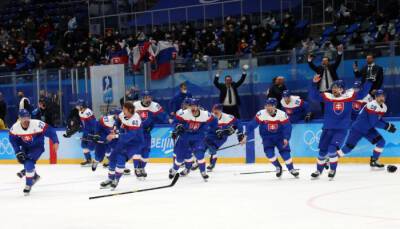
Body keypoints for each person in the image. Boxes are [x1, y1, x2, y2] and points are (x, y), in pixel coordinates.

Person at [308, 75, 372, 180]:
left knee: (332, 149)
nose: (334, 89)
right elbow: (313, 96)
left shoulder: (349, 97)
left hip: (341, 130)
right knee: (322, 151)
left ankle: (332, 169)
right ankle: (318, 171)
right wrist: (314, 83)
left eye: (336, 87)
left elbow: (362, 93)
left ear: (342, 89)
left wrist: (369, 82)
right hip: (327, 128)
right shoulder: (328, 97)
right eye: (333, 87)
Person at [335, 90, 396, 174]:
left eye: (383, 96)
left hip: (368, 130)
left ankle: (374, 161)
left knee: (381, 142)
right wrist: (387, 127)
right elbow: (373, 122)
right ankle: (330, 159)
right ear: (376, 97)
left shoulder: (384, 107)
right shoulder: (372, 105)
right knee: (347, 149)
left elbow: (379, 119)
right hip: (358, 129)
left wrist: (387, 125)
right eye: (380, 96)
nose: (382, 98)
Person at [9, 109, 59, 195]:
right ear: (19, 118)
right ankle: (34, 176)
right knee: (24, 161)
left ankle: (28, 184)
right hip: (25, 148)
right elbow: (12, 140)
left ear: (30, 117)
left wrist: (55, 141)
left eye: (27, 117)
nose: (25, 120)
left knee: (29, 163)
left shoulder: (37, 124)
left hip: (37, 147)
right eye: (23, 118)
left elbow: (51, 131)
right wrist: (18, 151)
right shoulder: (15, 128)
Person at [246, 98, 299, 178]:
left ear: (275, 106)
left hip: (280, 137)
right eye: (267, 105)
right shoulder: (261, 114)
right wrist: (245, 134)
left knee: (286, 154)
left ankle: (291, 169)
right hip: (267, 138)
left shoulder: (282, 114)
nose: (268, 107)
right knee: (270, 155)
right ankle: (278, 167)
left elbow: (287, 127)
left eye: (270, 106)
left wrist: (286, 138)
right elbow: (252, 124)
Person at [169, 99, 217, 181]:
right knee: (180, 157)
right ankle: (174, 169)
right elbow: (175, 122)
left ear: (198, 106)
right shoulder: (183, 113)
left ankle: (203, 172)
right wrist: (177, 126)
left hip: (198, 137)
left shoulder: (205, 114)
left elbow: (214, 121)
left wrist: (212, 129)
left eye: (195, 106)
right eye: (191, 106)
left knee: (199, 155)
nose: (193, 108)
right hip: (185, 136)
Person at [100, 102, 144, 190]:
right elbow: (118, 120)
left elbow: (131, 135)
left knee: (121, 157)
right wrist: (115, 129)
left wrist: (115, 136)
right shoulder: (122, 114)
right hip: (124, 140)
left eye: (124, 109)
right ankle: (110, 179)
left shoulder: (135, 119)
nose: (122, 110)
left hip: (134, 143)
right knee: (113, 157)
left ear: (130, 110)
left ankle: (116, 179)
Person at [133, 91, 169, 178]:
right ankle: (136, 168)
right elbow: (127, 116)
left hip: (146, 132)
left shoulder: (155, 106)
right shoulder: (135, 105)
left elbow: (163, 116)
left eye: (149, 97)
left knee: (146, 151)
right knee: (138, 149)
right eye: (145, 97)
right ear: (142, 98)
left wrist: (169, 120)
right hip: (136, 132)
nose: (148, 99)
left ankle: (142, 168)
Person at [205, 104, 246, 171]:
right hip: (210, 135)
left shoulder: (227, 117)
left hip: (221, 137)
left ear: (221, 111)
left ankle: (211, 164)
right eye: (214, 110)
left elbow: (238, 123)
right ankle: (197, 161)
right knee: (202, 147)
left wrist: (240, 133)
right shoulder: (209, 117)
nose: (215, 112)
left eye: (217, 110)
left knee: (212, 148)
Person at [75, 99, 97, 166]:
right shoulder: (80, 112)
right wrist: (81, 127)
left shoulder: (88, 112)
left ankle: (109, 159)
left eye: (78, 106)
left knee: (92, 147)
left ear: (82, 106)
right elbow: (84, 122)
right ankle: (88, 160)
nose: (77, 107)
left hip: (91, 132)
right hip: (86, 131)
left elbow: (93, 124)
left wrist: (93, 134)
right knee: (83, 145)